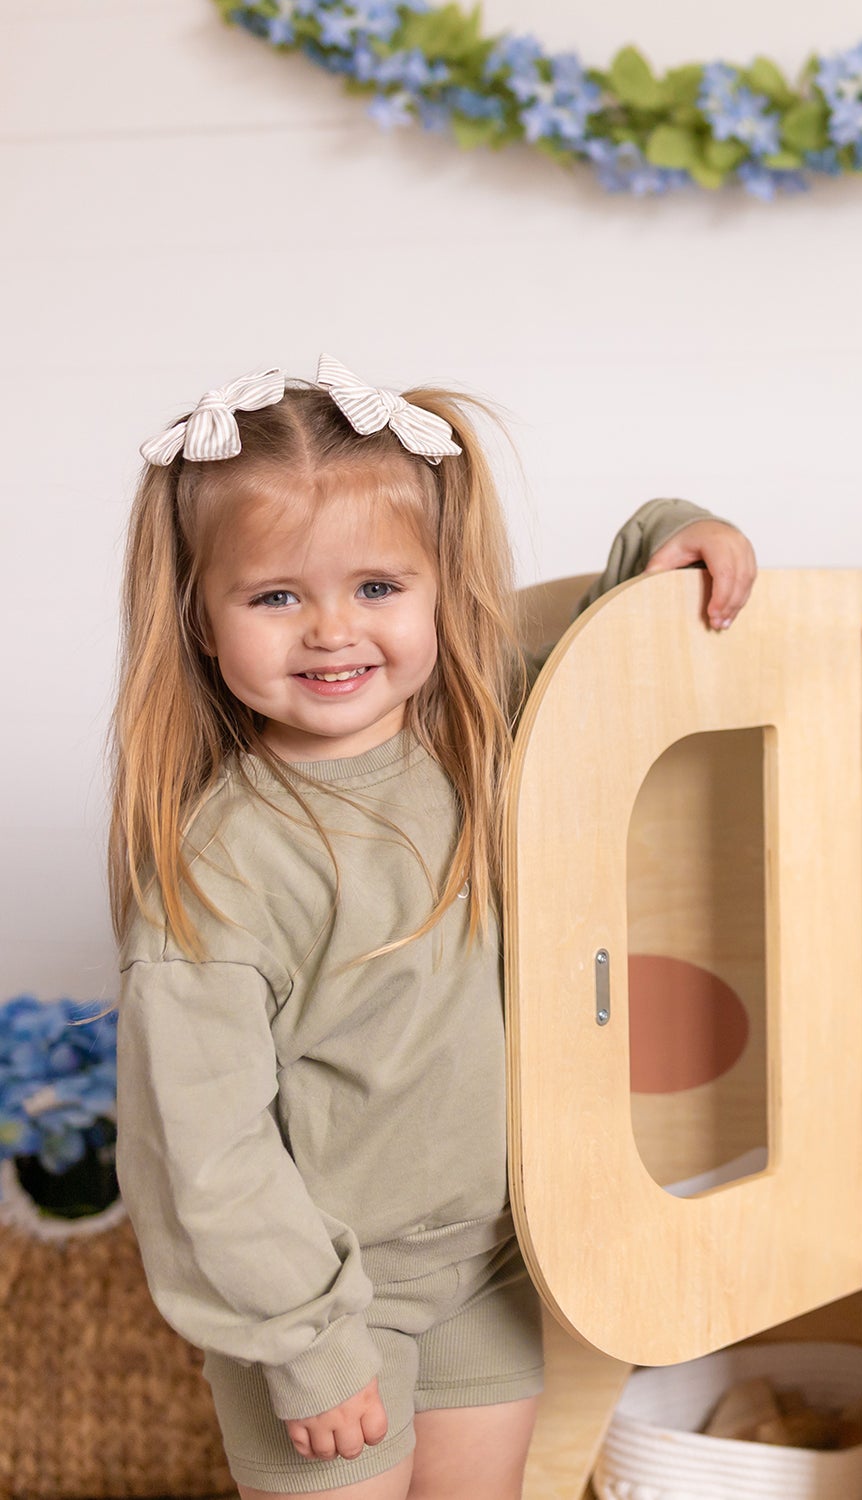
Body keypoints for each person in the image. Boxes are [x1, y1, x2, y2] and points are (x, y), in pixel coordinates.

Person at [109, 356, 757, 1500]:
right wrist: (309, 1343)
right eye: (275, 597)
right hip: (323, 1300)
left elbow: (612, 629)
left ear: (436, 588)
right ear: (203, 623)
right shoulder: (217, 866)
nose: (331, 632)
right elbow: (202, 1153)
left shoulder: (482, 731)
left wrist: (679, 533)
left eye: (375, 588)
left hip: (491, 1268)